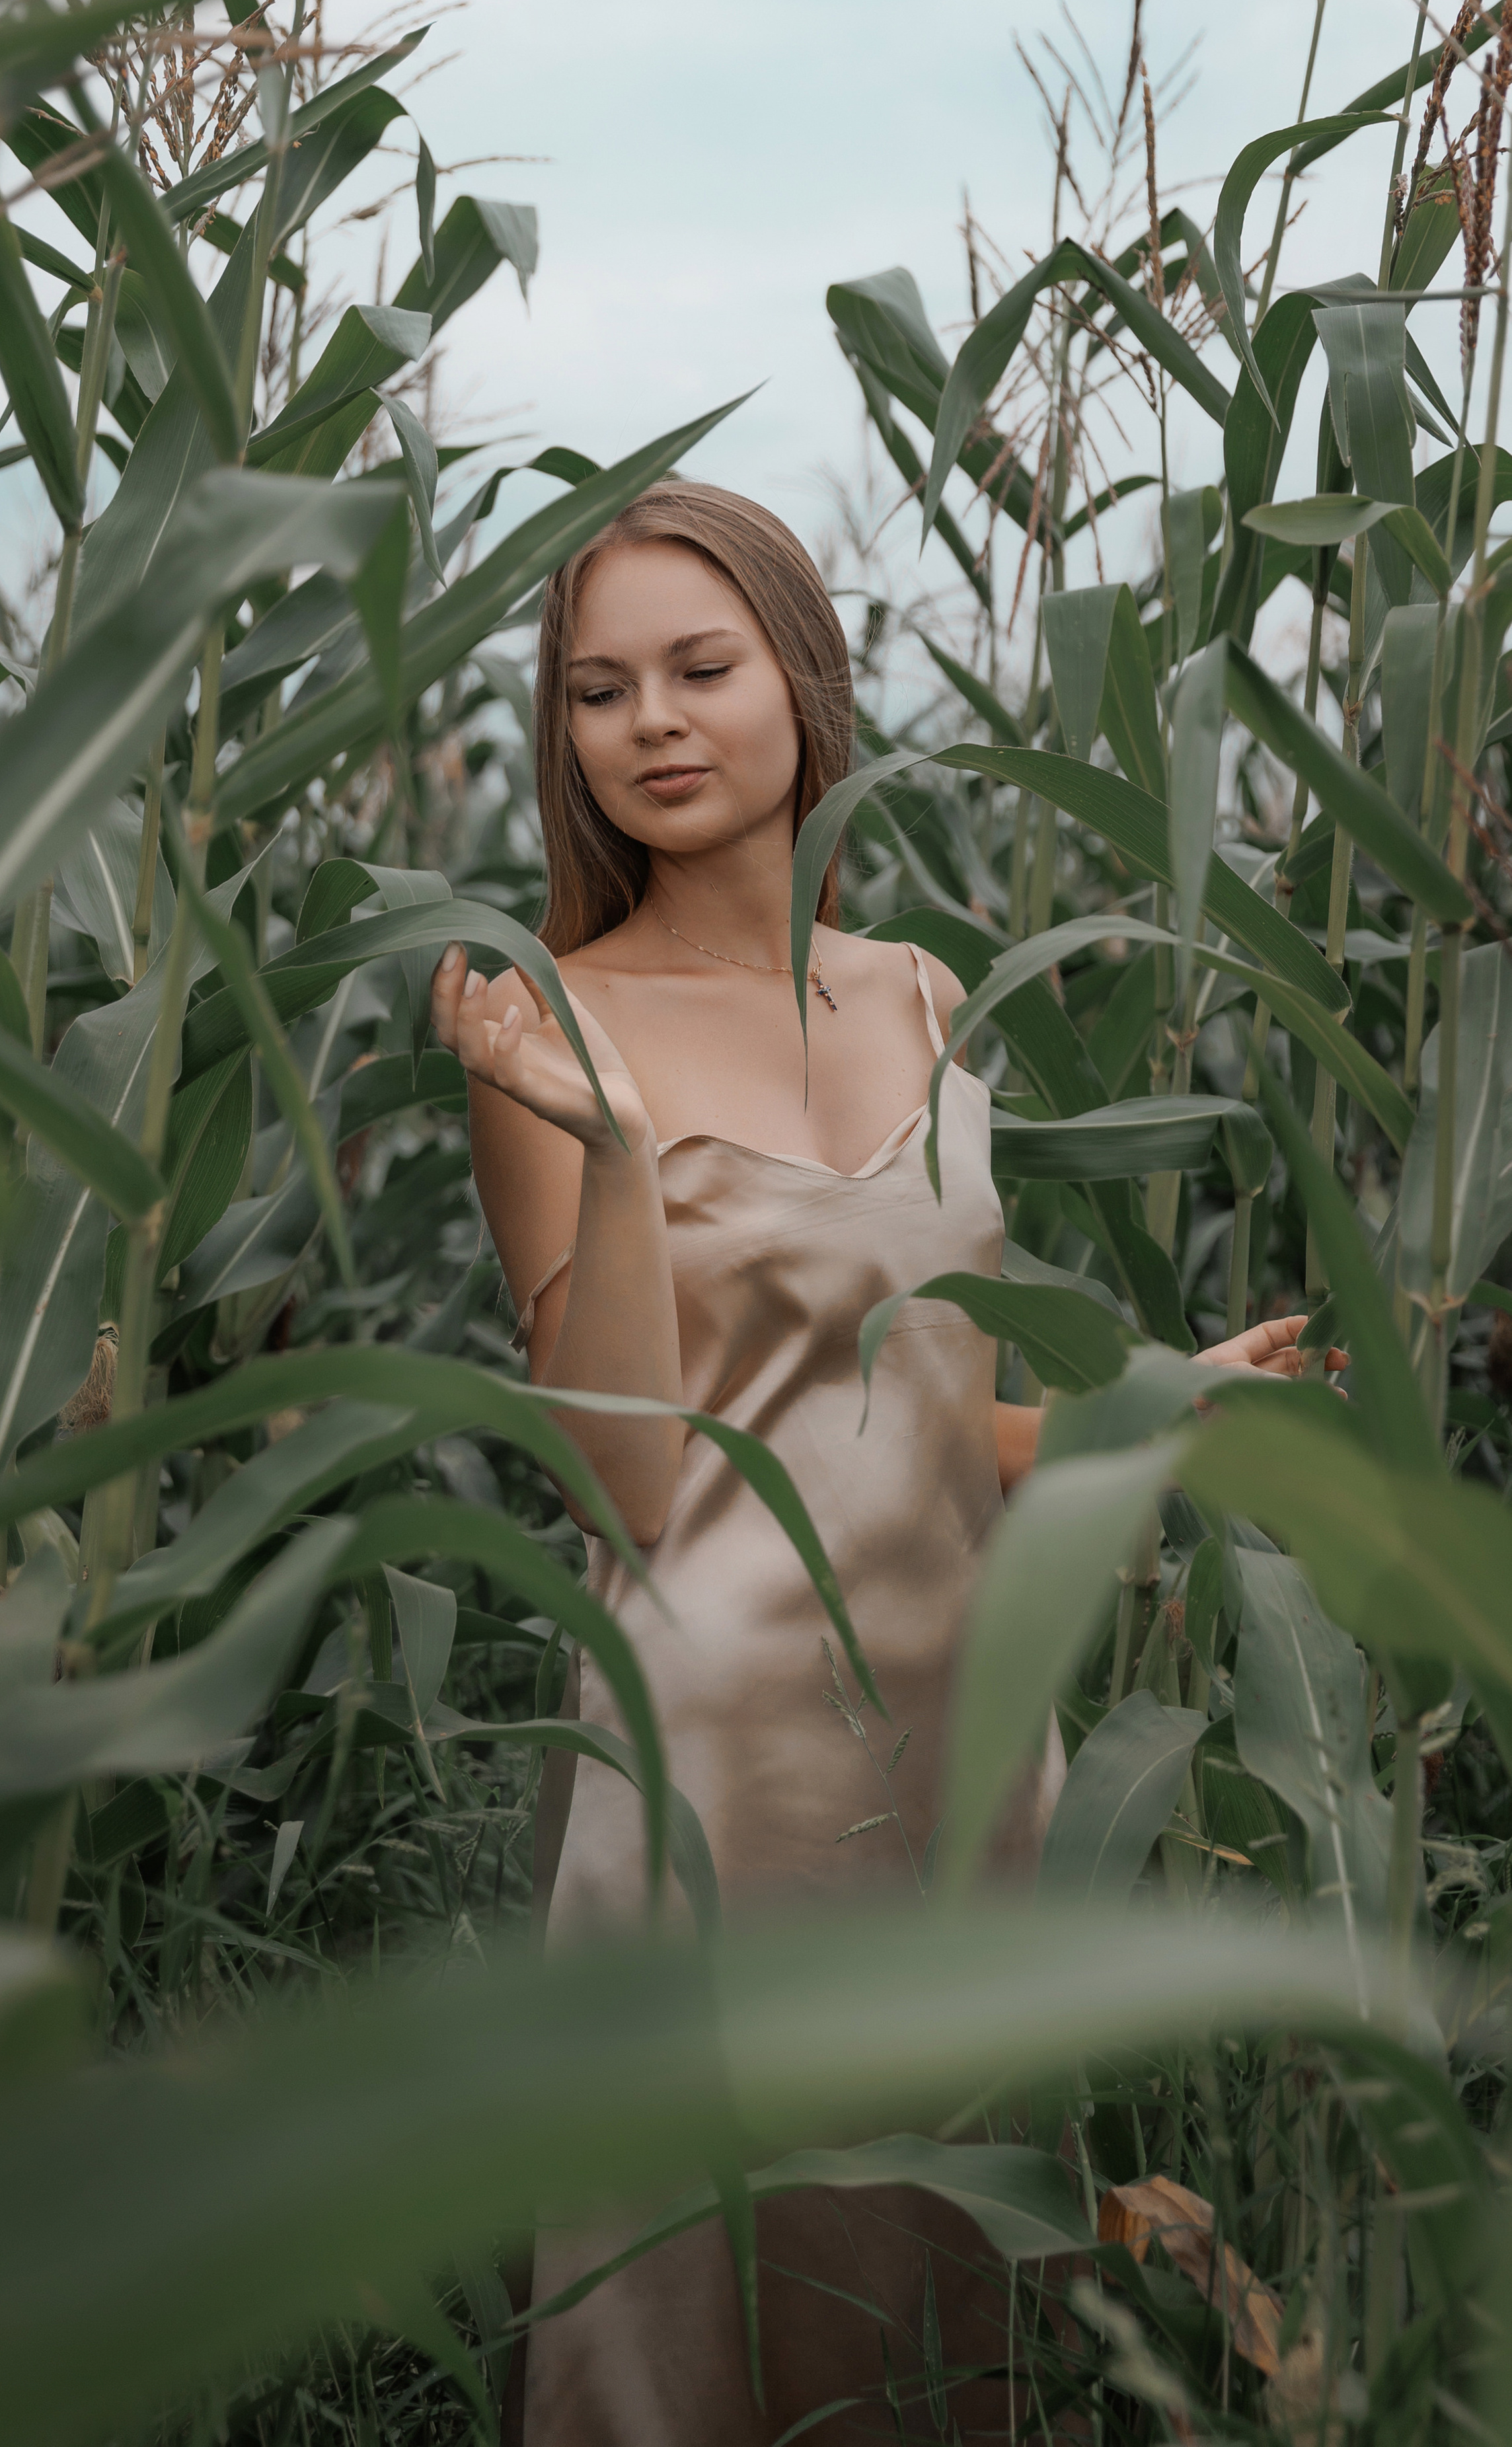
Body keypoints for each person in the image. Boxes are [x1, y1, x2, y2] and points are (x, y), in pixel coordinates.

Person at [430, 482, 1327, 2444]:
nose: (649, 722)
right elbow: (632, 1483)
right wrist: (597, 1142)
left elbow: (922, 1424)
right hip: (713, 1761)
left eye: (697, 668)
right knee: (698, 2298)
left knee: (942, 2282)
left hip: (960, 1732)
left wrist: (1155, 1400)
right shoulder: (551, 1031)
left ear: (800, 677)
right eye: (596, 690)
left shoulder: (922, 995)